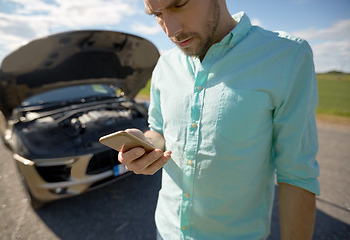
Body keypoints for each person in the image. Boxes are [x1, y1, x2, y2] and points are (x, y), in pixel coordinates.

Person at [118, 0, 320, 239]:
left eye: (179, 4)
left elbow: (296, 173)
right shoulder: (165, 65)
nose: (170, 31)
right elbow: (159, 132)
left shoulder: (287, 56)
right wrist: (144, 143)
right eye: (157, 14)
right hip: (165, 231)